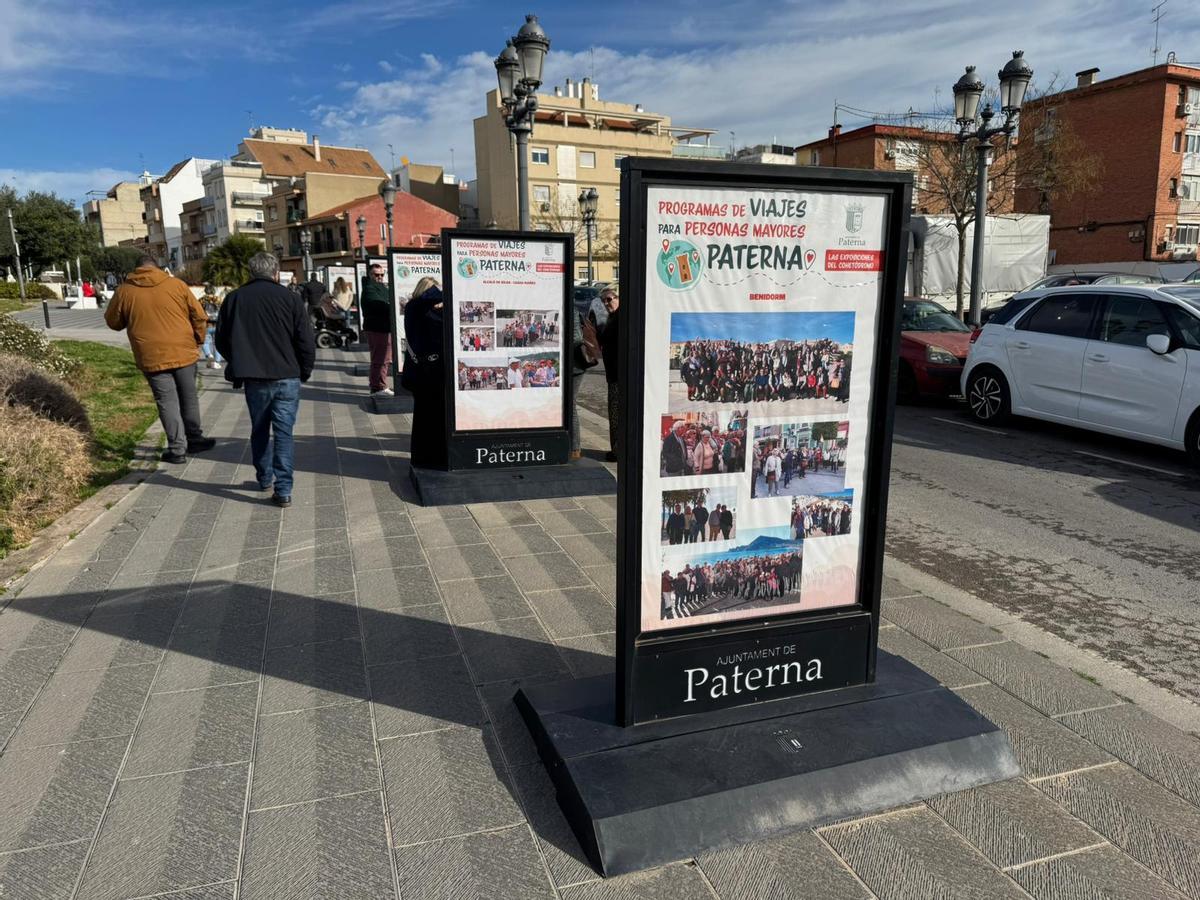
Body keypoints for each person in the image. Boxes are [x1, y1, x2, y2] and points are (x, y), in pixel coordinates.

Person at [215, 252, 315, 508]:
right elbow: (305, 340)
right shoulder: (291, 299)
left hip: (254, 377)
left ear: (251, 272)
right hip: (287, 375)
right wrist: (304, 370)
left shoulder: (234, 299)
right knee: (284, 433)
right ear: (275, 272)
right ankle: (284, 490)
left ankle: (264, 477)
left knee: (259, 429)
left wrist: (239, 360)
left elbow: (221, 339)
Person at [105, 254, 214, 464]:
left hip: (151, 355)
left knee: (167, 401)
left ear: (137, 269)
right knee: (189, 396)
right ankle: (195, 438)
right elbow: (199, 316)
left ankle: (177, 449)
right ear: (158, 267)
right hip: (184, 351)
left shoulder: (125, 291)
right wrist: (198, 340)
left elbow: (113, 322)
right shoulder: (177, 285)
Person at [403, 277, 447, 469]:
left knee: (427, 417)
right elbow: (426, 300)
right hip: (425, 373)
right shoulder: (416, 306)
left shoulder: (424, 310)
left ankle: (425, 457)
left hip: (425, 372)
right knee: (427, 418)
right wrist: (443, 287)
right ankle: (427, 459)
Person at [361, 262, 393, 396]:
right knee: (380, 359)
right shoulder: (369, 288)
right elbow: (379, 305)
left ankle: (380, 385)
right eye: (376, 274)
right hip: (377, 328)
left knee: (385, 358)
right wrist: (391, 305)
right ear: (370, 274)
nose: (380, 277)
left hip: (384, 327)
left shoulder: (381, 286)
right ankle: (377, 387)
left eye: (382, 274)